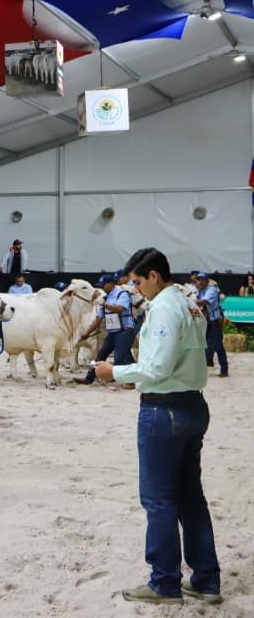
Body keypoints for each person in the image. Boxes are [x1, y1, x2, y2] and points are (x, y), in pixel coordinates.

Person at [92, 248, 221, 606]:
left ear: (153, 276)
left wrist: (113, 372)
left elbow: (157, 369)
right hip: (193, 404)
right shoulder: (188, 302)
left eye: (137, 282)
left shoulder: (164, 306)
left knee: (159, 500)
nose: (135, 289)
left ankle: (164, 582)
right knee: (190, 498)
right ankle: (207, 579)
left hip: (164, 410)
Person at [76, 275, 137, 385]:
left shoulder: (122, 294)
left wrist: (104, 304)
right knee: (100, 355)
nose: (102, 288)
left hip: (125, 331)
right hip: (113, 332)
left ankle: (130, 382)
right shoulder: (104, 298)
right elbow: (98, 319)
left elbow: (120, 309)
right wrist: (86, 333)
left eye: (103, 285)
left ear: (110, 284)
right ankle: (89, 378)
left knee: (120, 357)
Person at [195, 272, 228, 377]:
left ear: (207, 281)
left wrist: (188, 300)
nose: (200, 281)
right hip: (205, 322)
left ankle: (224, 370)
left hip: (214, 322)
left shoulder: (211, 290)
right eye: (198, 279)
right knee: (209, 346)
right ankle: (210, 363)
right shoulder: (199, 291)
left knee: (216, 346)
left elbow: (202, 302)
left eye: (202, 280)